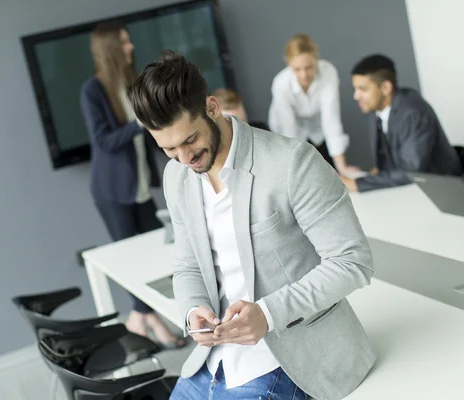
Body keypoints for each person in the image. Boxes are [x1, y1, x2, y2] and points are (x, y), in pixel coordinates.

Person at [127, 52, 376, 400]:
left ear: (212, 107)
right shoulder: (177, 177)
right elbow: (187, 265)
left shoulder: (292, 163)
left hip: (291, 360)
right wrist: (192, 310)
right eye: (169, 149)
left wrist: (269, 313)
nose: (185, 159)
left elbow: (353, 262)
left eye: (189, 141)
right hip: (211, 361)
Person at [79, 22, 184, 348]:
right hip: (113, 193)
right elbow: (104, 141)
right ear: (110, 48)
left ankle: (143, 319)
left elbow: (151, 134)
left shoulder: (130, 85)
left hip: (139, 187)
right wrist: (138, 122)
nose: (130, 48)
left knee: (156, 252)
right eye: (124, 43)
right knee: (131, 262)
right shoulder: (92, 91)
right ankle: (140, 320)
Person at [341, 54, 464, 192]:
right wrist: (374, 175)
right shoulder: (375, 110)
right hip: (405, 190)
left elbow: (410, 173)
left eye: (363, 89)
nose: (356, 96)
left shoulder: (413, 113)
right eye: (355, 89)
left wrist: (357, 184)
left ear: (386, 88)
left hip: (439, 191)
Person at [268, 34, 360, 177]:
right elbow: (288, 129)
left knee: (331, 174)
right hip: (290, 130)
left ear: (316, 59)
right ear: (288, 64)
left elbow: (331, 119)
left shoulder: (328, 72)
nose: (304, 75)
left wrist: (342, 167)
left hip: (319, 129)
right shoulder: (281, 83)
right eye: (297, 69)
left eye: (309, 67)